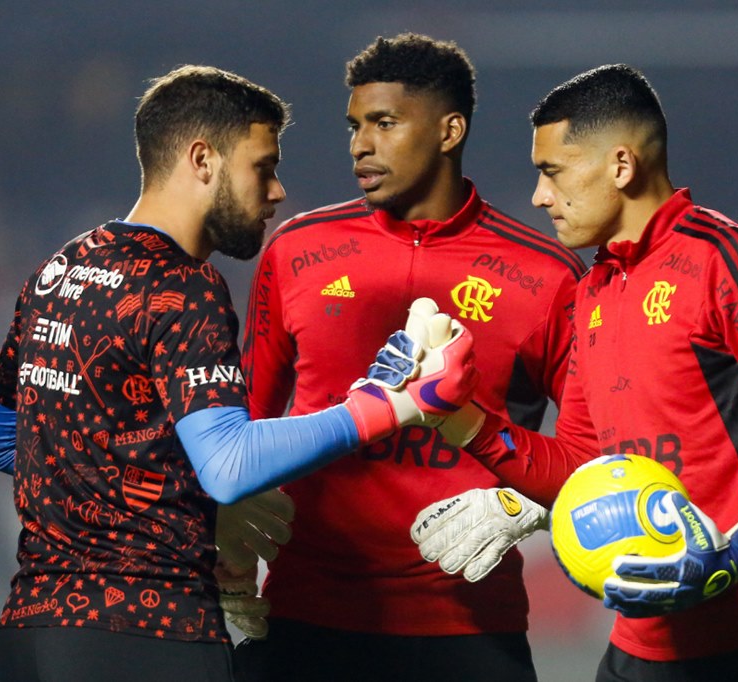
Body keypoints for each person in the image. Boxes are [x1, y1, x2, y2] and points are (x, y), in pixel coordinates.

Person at [0, 64, 477, 682]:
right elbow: (231, 465)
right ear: (202, 159)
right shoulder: (184, 286)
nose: (277, 191)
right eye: (262, 167)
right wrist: (390, 403)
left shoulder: (59, 269)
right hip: (146, 638)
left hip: (29, 634)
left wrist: (164, 492)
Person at [414, 63, 738, 681]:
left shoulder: (728, 262)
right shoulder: (593, 292)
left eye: (551, 172)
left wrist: (734, 554)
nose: (539, 196)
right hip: (641, 646)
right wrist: (461, 418)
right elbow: (581, 462)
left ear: (622, 166)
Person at [230, 33, 589, 682]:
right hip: (308, 618)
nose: (359, 144)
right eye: (354, 125)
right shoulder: (296, 252)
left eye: (384, 123)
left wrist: (529, 506)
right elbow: (238, 425)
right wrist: (222, 560)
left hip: (470, 625)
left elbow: (597, 452)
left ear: (450, 130)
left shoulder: (548, 276)